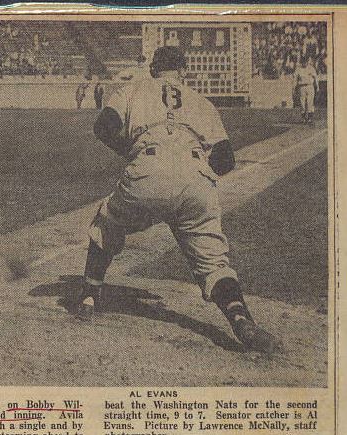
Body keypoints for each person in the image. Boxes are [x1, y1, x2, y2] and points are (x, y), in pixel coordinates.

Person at [75, 46, 283, 354]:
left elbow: (103, 127)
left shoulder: (133, 89)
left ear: (154, 69)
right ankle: (241, 320)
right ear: (182, 70)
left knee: (107, 221)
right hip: (196, 175)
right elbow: (225, 159)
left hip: (147, 167)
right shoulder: (200, 101)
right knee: (213, 262)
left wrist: (132, 154)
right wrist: (192, 175)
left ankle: (88, 299)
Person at [294, 57, 318, 124]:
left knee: (310, 102)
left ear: (307, 62)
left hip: (310, 86)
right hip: (301, 87)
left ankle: (310, 119)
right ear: (301, 62)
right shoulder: (298, 69)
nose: (304, 63)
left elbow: (315, 78)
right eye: (303, 62)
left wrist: (317, 86)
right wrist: (294, 87)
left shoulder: (311, 68)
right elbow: (295, 79)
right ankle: (304, 119)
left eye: (305, 62)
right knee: (302, 103)